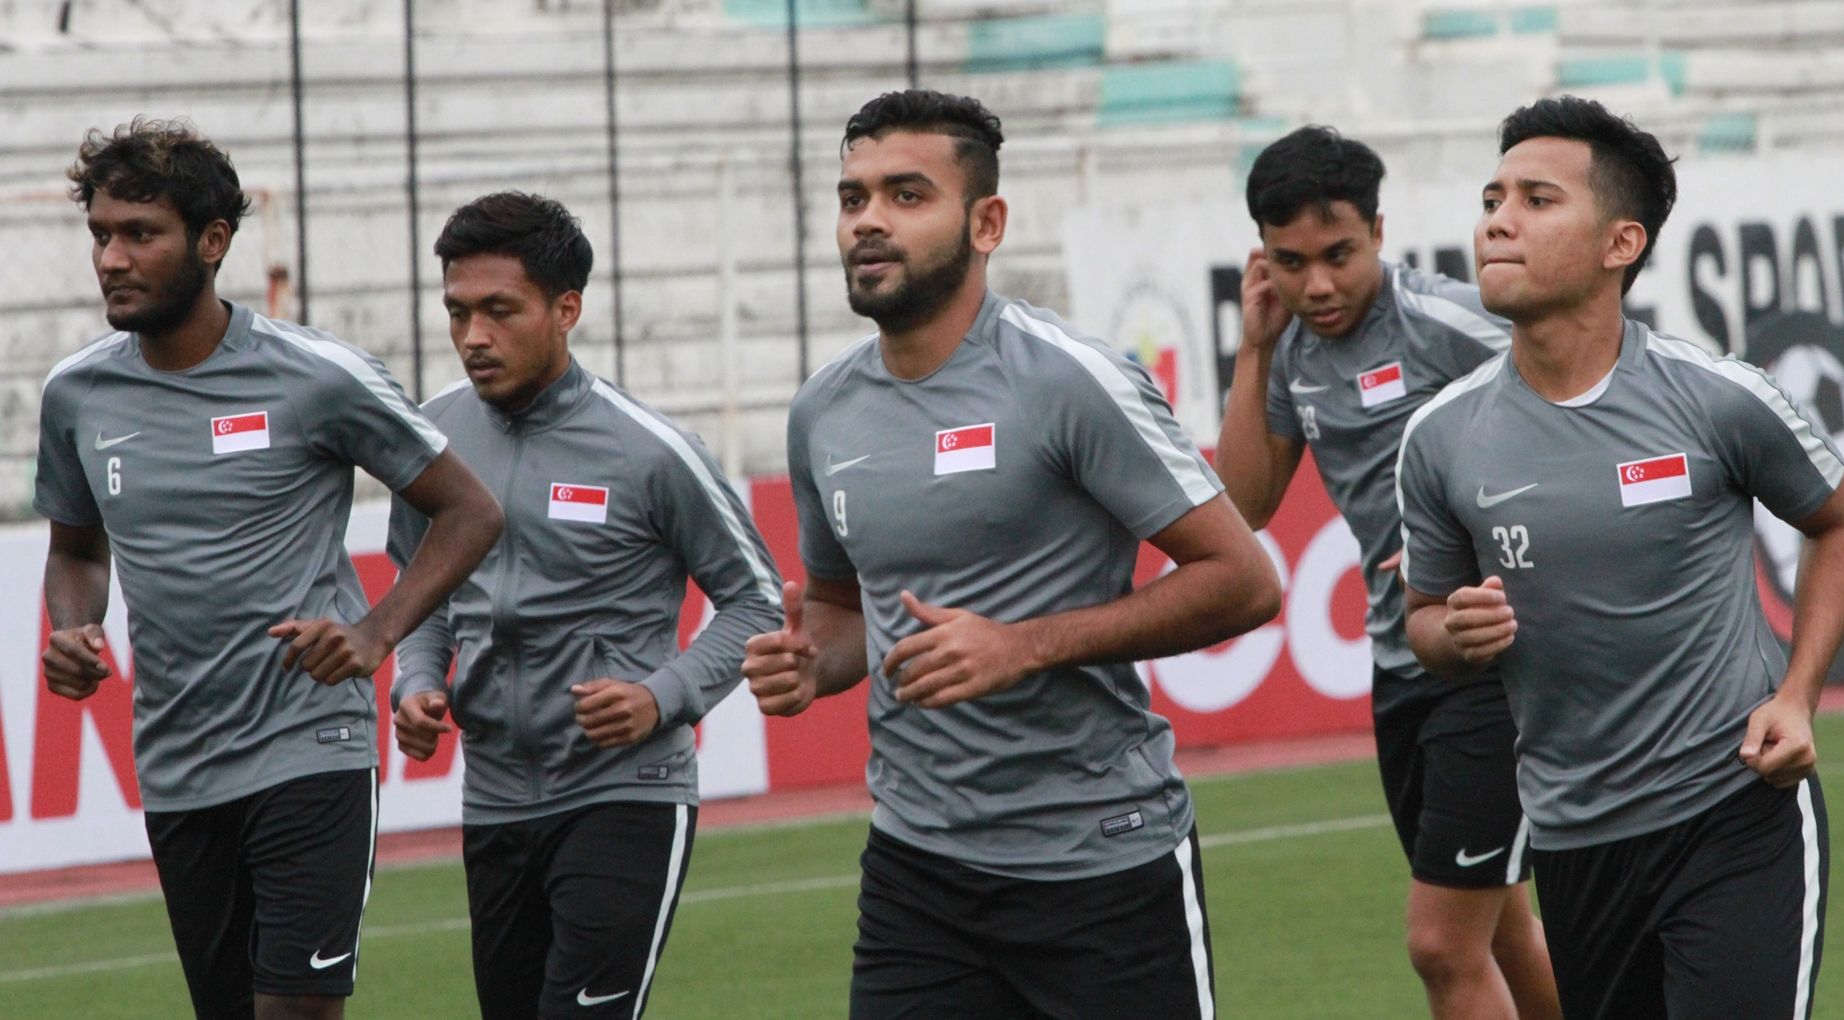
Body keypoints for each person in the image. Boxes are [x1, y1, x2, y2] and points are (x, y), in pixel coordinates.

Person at [741, 89, 1282, 1020]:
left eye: (907, 195)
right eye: (853, 196)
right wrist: (806, 664)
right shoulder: (821, 412)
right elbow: (839, 613)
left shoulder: (1070, 378)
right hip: (917, 868)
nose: (868, 219)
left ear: (986, 221)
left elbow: (1244, 582)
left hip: (1100, 862)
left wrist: (1022, 645)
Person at [1396, 95, 1844, 1020]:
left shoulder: (1717, 398)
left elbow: (1843, 520)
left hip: (1736, 813)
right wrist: (1454, 632)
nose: (1497, 219)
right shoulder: (1440, 437)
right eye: (1492, 197)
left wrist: (1798, 693)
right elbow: (1422, 623)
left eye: (1538, 199)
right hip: (1574, 842)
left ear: (1620, 244)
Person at [36, 118, 503, 1020]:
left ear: (213, 243)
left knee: (294, 1011)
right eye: (101, 233)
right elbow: (77, 551)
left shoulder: (315, 376)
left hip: (309, 749)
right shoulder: (76, 395)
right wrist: (70, 626)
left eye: (141, 234)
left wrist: (377, 632)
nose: (112, 258)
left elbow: (470, 510)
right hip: (177, 762)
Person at [387, 192, 784, 1018]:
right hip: (493, 799)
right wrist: (416, 680)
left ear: (566, 309)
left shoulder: (652, 451)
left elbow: (757, 604)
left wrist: (660, 696)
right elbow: (418, 591)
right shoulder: (430, 440)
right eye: (458, 312)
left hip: (626, 794)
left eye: (500, 311)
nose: (473, 338)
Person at [1214, 126, 1559, 1020]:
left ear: (1377, 229)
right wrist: (1252, 351)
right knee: (1503, 926)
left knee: (1443, 946)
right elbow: (1244, 507)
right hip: (1399, 669)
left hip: (1491, 667)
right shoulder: (1288, 352)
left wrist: (1476, 530)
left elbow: (1574, 416)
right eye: (1290, 263)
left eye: (1338, 255)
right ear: (1263, 260)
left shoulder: (1448, 322)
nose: (1317, 285)